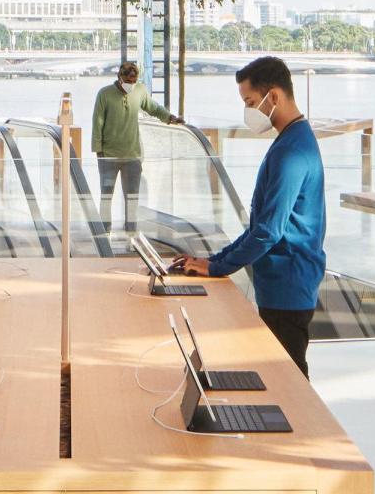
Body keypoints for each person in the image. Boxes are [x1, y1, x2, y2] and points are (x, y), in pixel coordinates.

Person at [173, 57, 326, 379]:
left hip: (289, 284)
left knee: (290, 381)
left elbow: (268, 231)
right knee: (282, 376)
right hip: (281, 282)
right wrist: (214, 261)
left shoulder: (292, 151)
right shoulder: (290, 140)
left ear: (273, 97)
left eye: (250, 102)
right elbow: (260, 226)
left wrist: (218, 267)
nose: (249, 111)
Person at [91, 61, 183, 233]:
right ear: (120, 77)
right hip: (108, 156)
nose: (131, 85)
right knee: (106, 194)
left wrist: (170, 118)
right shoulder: (104, 94)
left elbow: (153, 107)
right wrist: (99, 151)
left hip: (133, 155)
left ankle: (131, 231)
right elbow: (97, 122)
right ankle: (104, 231)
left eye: (134, 82)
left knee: (132, 197)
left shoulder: (140, 90)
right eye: (128, 82)